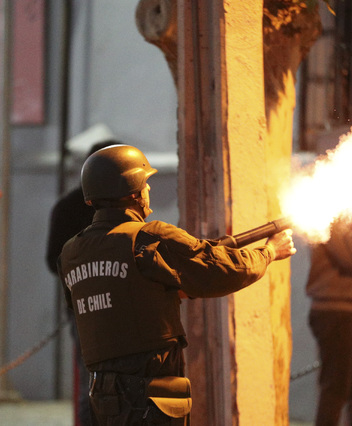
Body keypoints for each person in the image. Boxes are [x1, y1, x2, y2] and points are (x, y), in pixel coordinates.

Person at [56, 144, 296, 425]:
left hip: (105, 402)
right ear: (133, 190)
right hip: (150, 401)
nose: (148, 190)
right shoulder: (149, 238)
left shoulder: (71, 253)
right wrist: (269, 252)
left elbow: (120, 298)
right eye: (145, 183)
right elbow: (222, 270)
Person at [46, 140, 120, 426]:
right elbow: (54, 259)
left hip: (91, 306)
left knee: (95, 382)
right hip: (88, 308)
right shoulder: (70, 208)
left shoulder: (68, 206)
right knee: (93, 383)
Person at [306, 220, 352, 426]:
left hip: (348, 312)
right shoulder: (329, 218)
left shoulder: (342, 219)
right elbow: (351, 257)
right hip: (335, 313)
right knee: (335, 388)